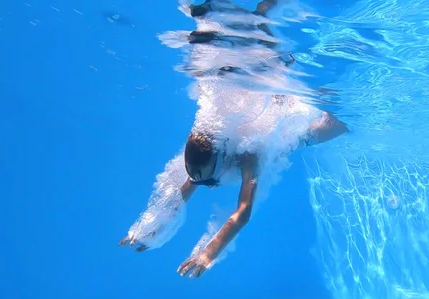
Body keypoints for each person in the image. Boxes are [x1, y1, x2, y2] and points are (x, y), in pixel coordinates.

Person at [119, 0, 349, 279]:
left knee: (339, 123)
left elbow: (243, 211)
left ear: (222, 159)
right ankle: (262, 15)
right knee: (267, 56)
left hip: (291, 129)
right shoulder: (204, 156)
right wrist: (149, 228)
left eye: (206, 181)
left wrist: (208, 253)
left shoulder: (246, 156)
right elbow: (181, 193)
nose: (204, 186)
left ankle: (270, 19)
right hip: (268, 103)